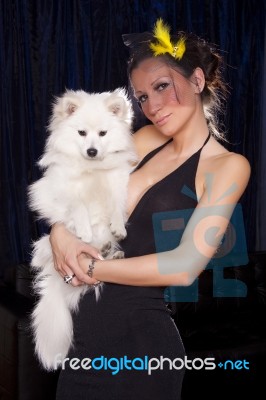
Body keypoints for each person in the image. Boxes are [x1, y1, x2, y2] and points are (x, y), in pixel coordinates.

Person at [52, 19, 250, 400]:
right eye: (142, 96)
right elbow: (78, 195)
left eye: (162, 87)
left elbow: (184, 266)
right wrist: (61, 232)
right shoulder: (145, 139)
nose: (152, 106)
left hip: (141, 352)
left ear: (196, 80)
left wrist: (91, 268)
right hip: (83, 343)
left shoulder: (227, 166)